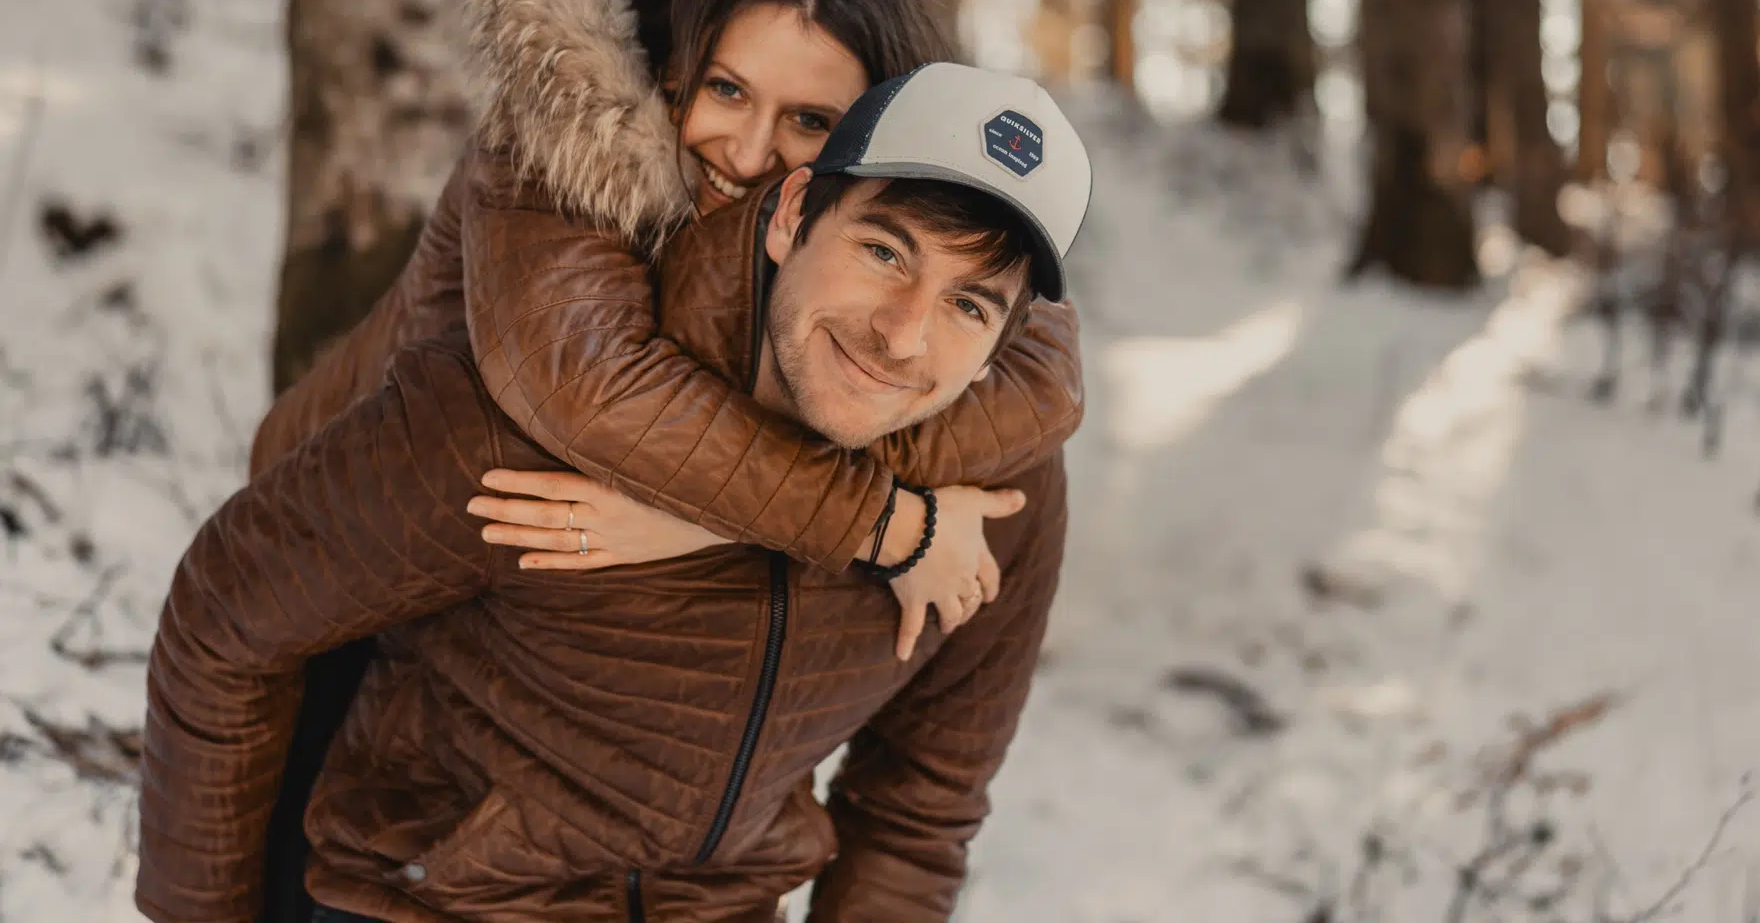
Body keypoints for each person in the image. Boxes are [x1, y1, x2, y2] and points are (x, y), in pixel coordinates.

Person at [137, 62, 1094, 923]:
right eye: (886, 252)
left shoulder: (997, 500)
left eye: (969, 305)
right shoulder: (534, 409)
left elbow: (920, 804)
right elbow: (226, 620)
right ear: (795, 212)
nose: (902, 333)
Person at [251, 0, 1084, 645]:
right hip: (327, 516)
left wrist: (711, 523)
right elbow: (595, 392)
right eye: (726, 91)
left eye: (810, 119)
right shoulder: (555, 147)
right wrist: (893, 526)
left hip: (478, 594)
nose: (751, 153)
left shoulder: (856, 225)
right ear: (670, 64)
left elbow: (1047, 378)